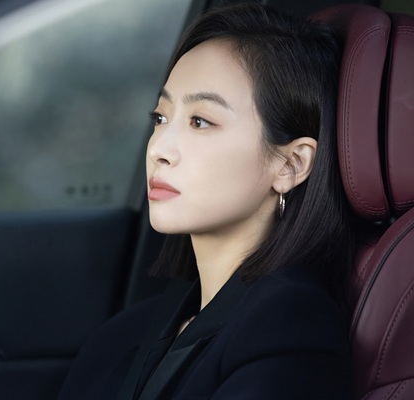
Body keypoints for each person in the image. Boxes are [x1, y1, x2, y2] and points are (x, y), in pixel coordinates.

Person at [58, 3, 353, 399]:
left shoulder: (290, 326)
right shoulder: (132, 331)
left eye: (200, 121)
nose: (159, 149)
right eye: (160, 118)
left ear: (290, 164)